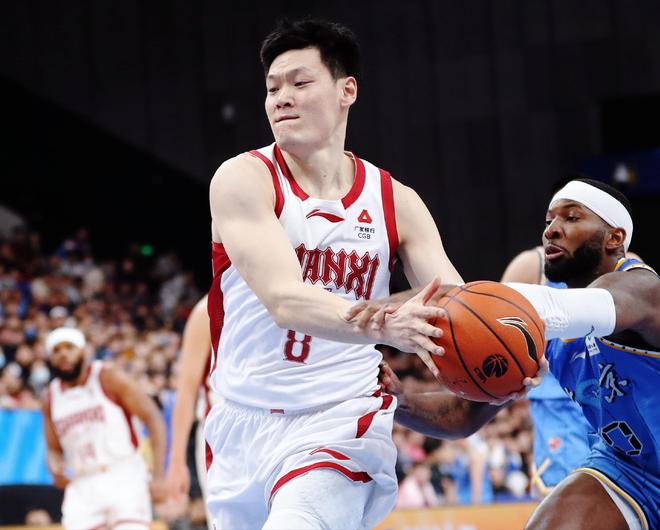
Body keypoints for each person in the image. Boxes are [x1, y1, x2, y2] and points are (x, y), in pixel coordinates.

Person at [205, 17, 464, 530]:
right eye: (272, 88)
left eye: (300, 82)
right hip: (239, 422)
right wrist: (387, 320)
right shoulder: (244, 177)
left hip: (341, 418)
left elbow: (454, 300)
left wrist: (507, 349)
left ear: (347, 90)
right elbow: (286, 299)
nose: (282, 98)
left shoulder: (395, 201)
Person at [374, 178, 659, 530]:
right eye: (549, 220)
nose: (552, 230)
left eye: (571, 217)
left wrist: (394, 308)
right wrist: (399, 400)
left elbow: (563, 309)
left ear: (614, 238)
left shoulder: (642, 289)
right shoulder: (540, 327)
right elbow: (462, 415)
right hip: (627, 468)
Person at [43, 327, 168, 530]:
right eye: (56, 350)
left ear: (83, 351)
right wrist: (55, 466)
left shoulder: (108, 376)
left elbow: (153, 417)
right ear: (50, 358)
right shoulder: (50, 396)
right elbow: (53, 448)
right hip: (82, 483)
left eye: (69, 347)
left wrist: (159, 475)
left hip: (123, 474)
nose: (63, 354)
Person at [501, 247, 592, 495]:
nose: (554, 229)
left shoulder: (628, 267)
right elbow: (497, 337)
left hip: (615, 404)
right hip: (560, 408)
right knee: (568, 499)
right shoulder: (531, 266)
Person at [166, 294, 215, 525]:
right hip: (221, 438)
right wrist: (176, 461)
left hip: (284, 425)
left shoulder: (286, 295)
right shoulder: (206, 310)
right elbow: (186, 390)